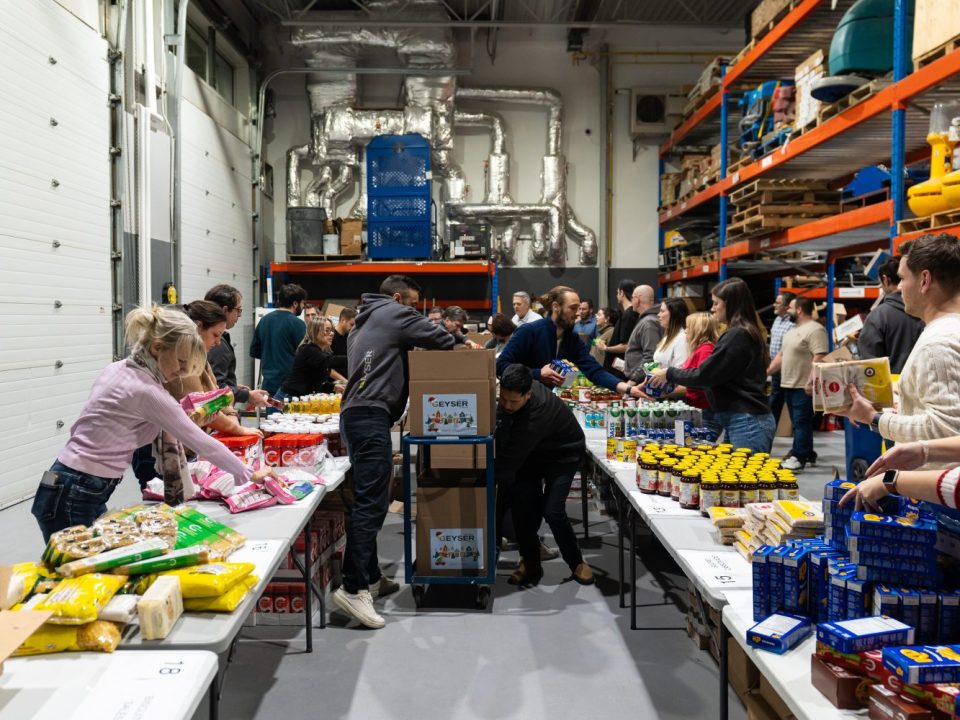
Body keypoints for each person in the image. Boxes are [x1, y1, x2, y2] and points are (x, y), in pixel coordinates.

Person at [31, 306, 273, 541]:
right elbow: (203, 444)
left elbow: (124, 419)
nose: (182, 372)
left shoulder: (118, 369)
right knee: (79, 575)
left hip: (71, 482)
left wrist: (189, 411)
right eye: (180, 363)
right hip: (77, 491)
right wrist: (250, 474)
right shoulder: (147, 390)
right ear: (157, 348)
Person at [332, 275, 458, 629]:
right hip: (370, 416)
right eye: (414, 303)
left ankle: (371, 576)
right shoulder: (392, 311)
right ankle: (353, 588)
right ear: (400, 297)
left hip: (355, 414)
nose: (415, 311)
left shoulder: (365, 317)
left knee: (367, 497)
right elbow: (443, 338)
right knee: (373, 503)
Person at [836, 233, 960, 445]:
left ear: (924, 280)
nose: (899, 287)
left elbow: (946, 429)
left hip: (933, 475)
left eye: (902, 278)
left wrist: (872, 418)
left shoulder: (937, 344)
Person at [648, 278, 776, 453]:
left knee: (744, 477)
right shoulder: (743, 332)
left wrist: (669, 373)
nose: (713, 308)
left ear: (730, 304)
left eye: (716, 303)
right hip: (740, 418)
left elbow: (705, 375)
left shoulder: (737, 335)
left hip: (747, 421)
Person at [496, 364, 594, 587]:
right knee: (522, 506)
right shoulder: (517, 393)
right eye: (503, 399)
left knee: (553, 510)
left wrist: (481, 480)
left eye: (513, 402)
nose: (507, 406)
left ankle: (576, 562)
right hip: (533, 453)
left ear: (528, 394)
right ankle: (531, 563)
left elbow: (511, 459)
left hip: (563, 454)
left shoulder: (536, 414)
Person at [496, 285, 640, 397]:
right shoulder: (529, 332)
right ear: (556, 307)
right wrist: (537, 373)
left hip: (548, 404)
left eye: (579, 308)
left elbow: (594, 370)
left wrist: (628, 388)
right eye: (573, 308)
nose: (578, 313)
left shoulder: (572, 340)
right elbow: (501, 365)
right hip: (521, 405)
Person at [766, 296, 828, 470]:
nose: (788, 310)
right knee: (798, 422)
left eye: (791, 308)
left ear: (799, 310)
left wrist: (811, 381)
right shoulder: (792, 330)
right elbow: (781, 356)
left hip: (803, 386)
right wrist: (766, 373)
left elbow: (820, 356)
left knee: (801, 423)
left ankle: (799, 457)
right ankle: (808, 452)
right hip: (788, 384)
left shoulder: (815, 330)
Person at [205, 284, 270, 409]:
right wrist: (247, 396)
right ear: (225, 310)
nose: (239, 316)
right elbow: (216, 388)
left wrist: (235, 387)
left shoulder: (220, 340)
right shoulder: (218, 345)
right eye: (238, 310)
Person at [858, 256, 924, 374]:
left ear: (885, 280)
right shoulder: (927, 310)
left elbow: (869, 367)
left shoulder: (878, 317)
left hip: (892, 389)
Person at [250, 283, 307, 397]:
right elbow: (305, 356)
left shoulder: (264, 321)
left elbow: (255, 351)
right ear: (295, 303)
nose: (303, 306)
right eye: (302, 303)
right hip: (289, 387)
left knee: (271, 414)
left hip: (268, 385)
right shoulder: (298, 324)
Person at [280, 317, 348, 399]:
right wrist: (356, 358)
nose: (332, 333)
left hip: (298, 397)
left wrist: (333, 387)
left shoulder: (319, 352)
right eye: (327, 330)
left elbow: (315, 382)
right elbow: (331, 361)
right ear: (316, 332)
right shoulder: (309, 350)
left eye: (332, 330)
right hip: (288, 398)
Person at [680, 312, 719, 430]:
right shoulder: (699, 349)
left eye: (688, 327)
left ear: (698, 330)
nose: (685, 331)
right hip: (699, 410)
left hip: (706, 412)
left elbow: (702, 379)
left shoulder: (706, 350)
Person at [597, 279, 638, 377]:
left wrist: (606, 348)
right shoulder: (631, 314)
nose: (616, 295)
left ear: (622, 293)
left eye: (617, 292)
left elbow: (625, 346)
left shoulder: (628, 315)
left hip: (619, 372)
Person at [623, 285, 662, 381]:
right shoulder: (647, 320)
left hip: (640, 382)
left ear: (637, 299)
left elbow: (651, 356)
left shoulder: (648, 323)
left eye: (632, 297)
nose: (631, 301)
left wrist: (634, 379)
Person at [768, 291, 796, 426]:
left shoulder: (792, 324)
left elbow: (786, 351)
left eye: (778, 303)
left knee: (790, 403)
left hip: (787, 370)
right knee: (774, 401)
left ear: (786, 307)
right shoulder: (777, 320)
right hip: (776, 370)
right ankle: (769, 433)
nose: (774, 305)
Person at [330, 306, 357, 375]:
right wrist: (344, 381)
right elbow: (327, 367)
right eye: (351, 324)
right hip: (335, 382)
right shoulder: (330, 337)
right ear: (343, 320)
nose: (353, 328)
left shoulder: (350, 337)